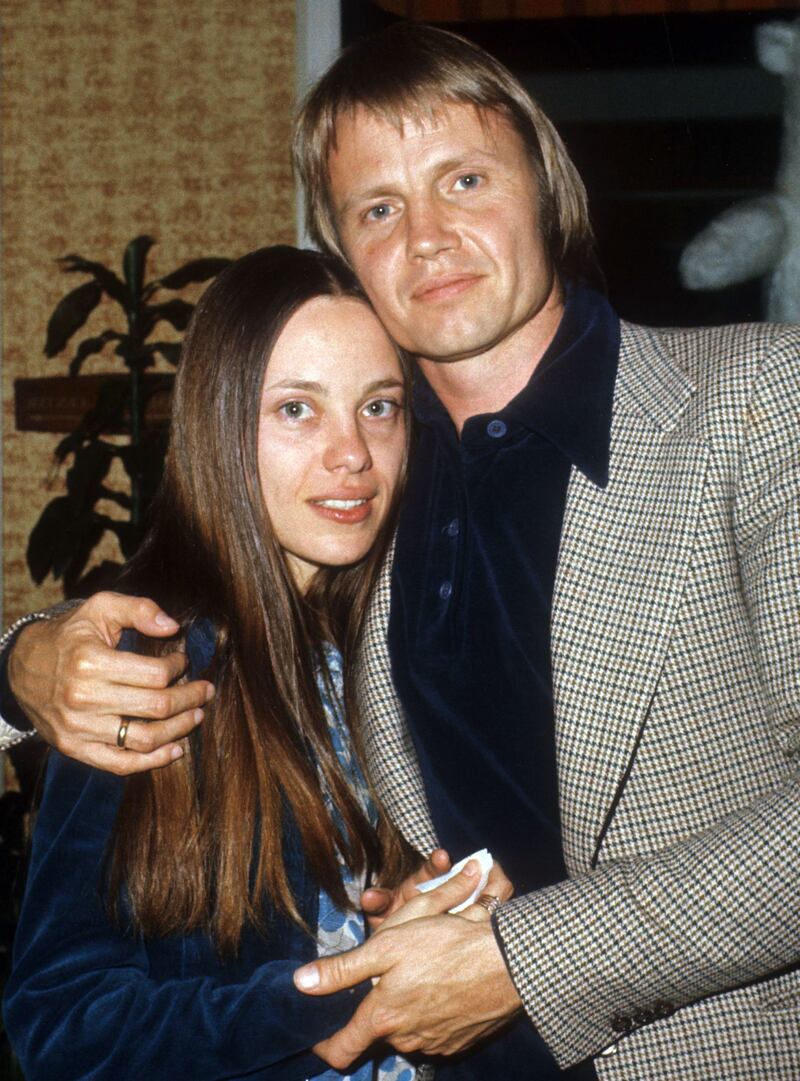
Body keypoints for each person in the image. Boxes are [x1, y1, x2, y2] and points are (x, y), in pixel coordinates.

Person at [3, 21, 800, 1080]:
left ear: (547, 185)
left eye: (464, 179)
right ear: (342, 244)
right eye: (378, 207)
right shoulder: (375, 487)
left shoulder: (760, 401)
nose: (426, 236)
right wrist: (25, 662)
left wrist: (522, 959)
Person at [2, 244, 511, 1081]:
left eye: (378, 407)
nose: (353, 453)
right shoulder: (152, 666)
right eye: (298, 409)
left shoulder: (406, 635)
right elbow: (61, 1022)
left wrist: (451, 909)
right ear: (222, 423)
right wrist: (344, 994)